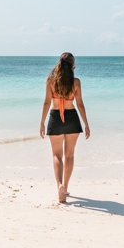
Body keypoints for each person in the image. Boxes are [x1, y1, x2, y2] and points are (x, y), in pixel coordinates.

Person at [39, 52, 90, 203]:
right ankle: (66, 186)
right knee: (69, 155)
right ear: (73, 66)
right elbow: (79, 103)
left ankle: (59, 186)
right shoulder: (76, 82)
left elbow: (47, 103)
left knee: (56, 155)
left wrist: (42, 122)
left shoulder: (50, 81)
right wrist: (86, 124)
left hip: (55, 118)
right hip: (72, 119)